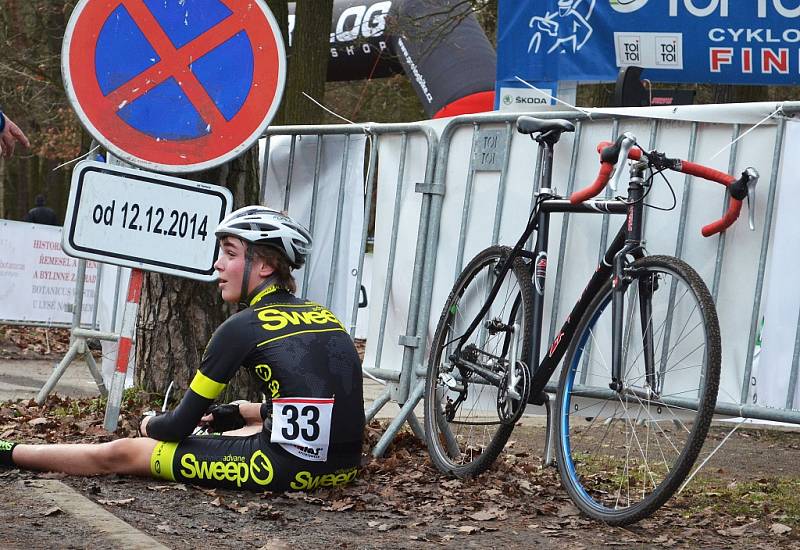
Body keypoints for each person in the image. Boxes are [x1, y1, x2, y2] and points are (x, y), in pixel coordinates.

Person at [0, 206, 365, 491]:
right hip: (342, 467)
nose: (217, 265)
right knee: (233, 429)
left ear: (266, 265)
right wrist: (240, 411)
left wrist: (147, 423)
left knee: (123, 452)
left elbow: (175, 427)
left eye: (229, 253)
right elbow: (322, 404)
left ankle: (10, 452)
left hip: (285, 468)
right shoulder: (323, 314)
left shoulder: (241, 327)